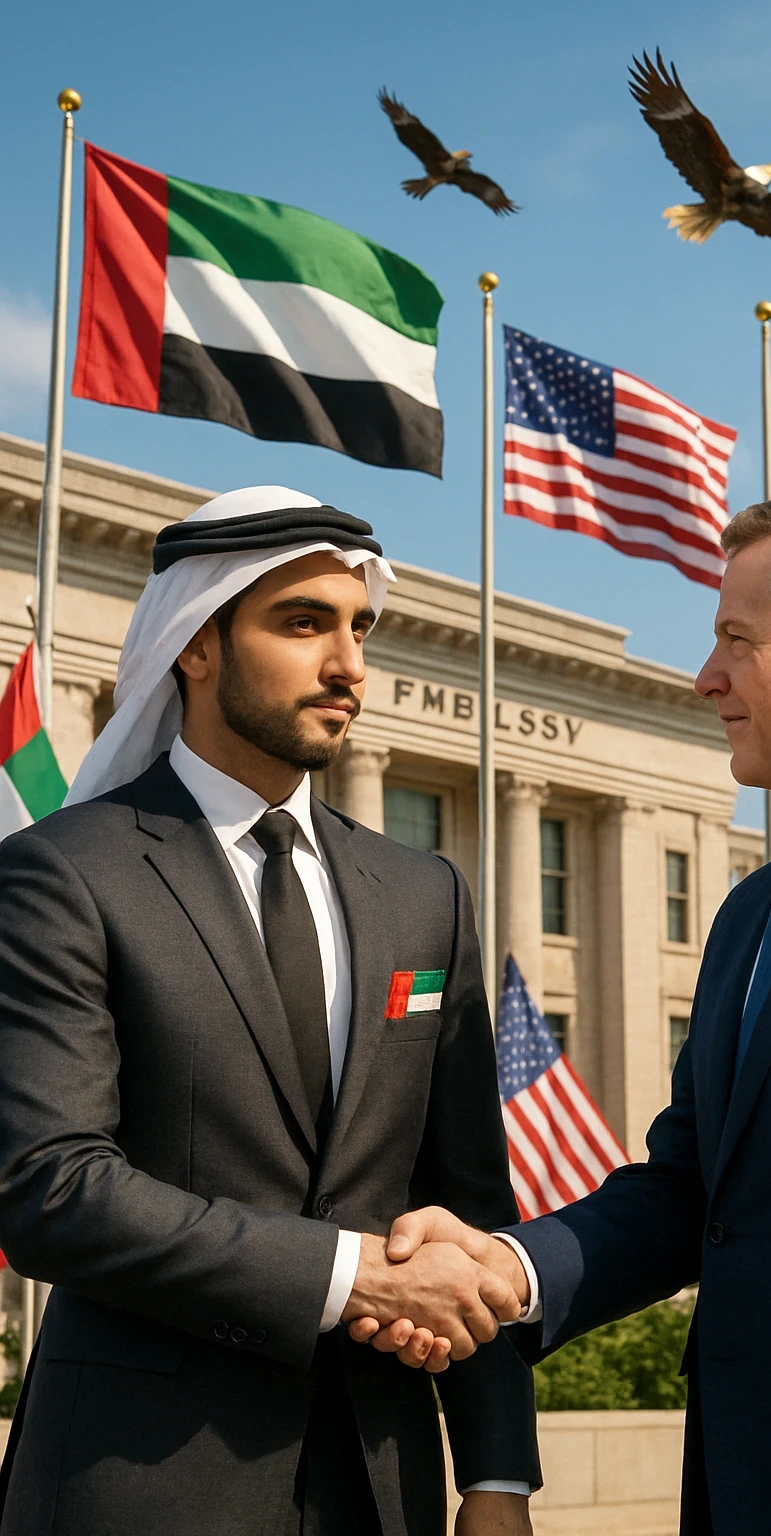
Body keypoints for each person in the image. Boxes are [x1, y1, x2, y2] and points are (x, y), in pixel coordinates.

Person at [354, 493, 771, 1535]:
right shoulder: (754, 911)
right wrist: (508, 1266)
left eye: (736, 641)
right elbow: (690, 1191)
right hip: (739, 1488)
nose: (706, 677)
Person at [0, 486, 539, 1536]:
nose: (349, 666)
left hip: (381, 1482)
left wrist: (496, 1473)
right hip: (136, 1481)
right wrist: (353, 1279)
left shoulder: (425, 894)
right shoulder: (63, 875)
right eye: (304, 625)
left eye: (358, 628)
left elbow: (464, 1192)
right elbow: (49, 1188)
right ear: (195, 646)